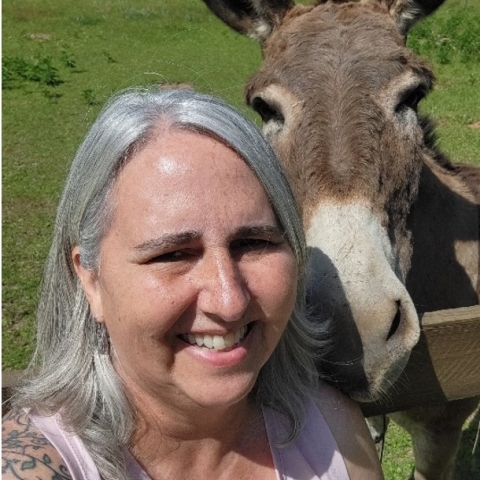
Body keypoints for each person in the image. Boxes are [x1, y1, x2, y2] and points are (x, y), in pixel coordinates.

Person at [2, 87, 383, 480]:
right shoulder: (32, 466)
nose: (229, 300)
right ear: (90, 279)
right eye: (173, 255)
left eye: (254, 243)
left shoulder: (333, 433)